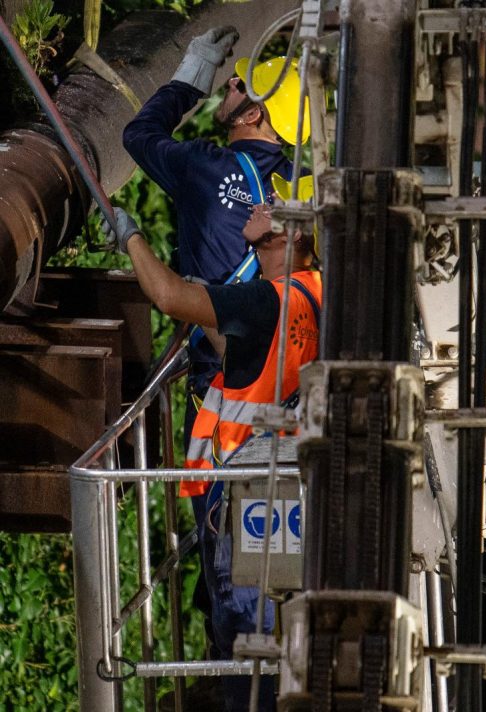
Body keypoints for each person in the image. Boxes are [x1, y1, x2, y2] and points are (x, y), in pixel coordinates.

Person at [105, 199, 321, 712]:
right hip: (278, 494)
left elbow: (165, 296)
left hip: (248, 501)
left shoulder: (266, 300)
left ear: (287, 238)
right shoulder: (311, 292)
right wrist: (211, 310)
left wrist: (131, 237)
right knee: (262, 649)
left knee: (246, 650)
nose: (260, 205)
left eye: (274, 207)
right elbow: (256, 357)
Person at [122, 26, 310, 463]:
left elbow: (138, 134)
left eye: (241, 86)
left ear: (251, 116)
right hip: (282, 387)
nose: (231, 82)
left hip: (220, 387)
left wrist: (191, 78)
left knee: (218, 507)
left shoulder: (204, 167)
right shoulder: (297, 188)